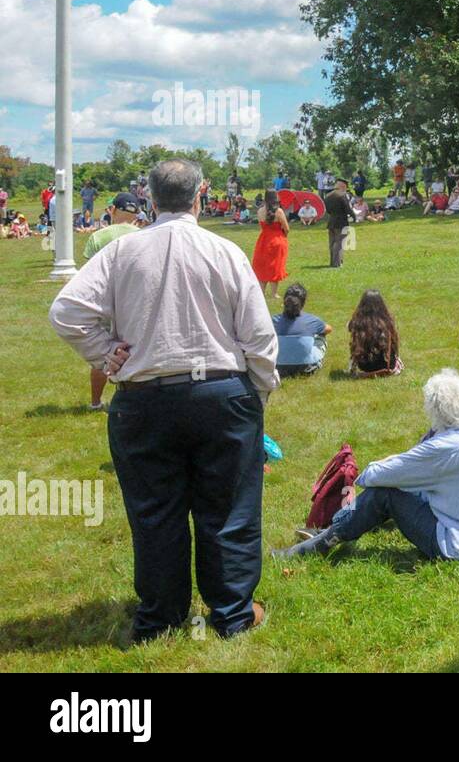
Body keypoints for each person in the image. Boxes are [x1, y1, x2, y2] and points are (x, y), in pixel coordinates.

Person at [49, 159, 277, 641]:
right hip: (220, 392)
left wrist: (105, 352)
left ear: (150, 199)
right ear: (201, 196)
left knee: (155, 513)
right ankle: (232, 614)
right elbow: (259, 336)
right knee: (230, 509)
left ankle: (161, 618)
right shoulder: (225, 251)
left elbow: (67, 311)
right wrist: (257, 392)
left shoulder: (121, 253)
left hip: (145, 397)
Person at [274, 369, 459, 561]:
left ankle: (321, 542)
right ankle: (333, 530)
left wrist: (393, 461)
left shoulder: (444, 448)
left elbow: (373, 476)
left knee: (385, 493)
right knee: (405, 486)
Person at [81, 193, 144, 410]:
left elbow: (87, 276)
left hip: (104, 303)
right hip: (135, 302)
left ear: (113, 210)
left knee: (103, 354)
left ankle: (96, 402)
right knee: (136, 350)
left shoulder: (98, 237)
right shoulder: (144, 235)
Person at [273, 283, 331, 376]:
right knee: (321, 336)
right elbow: (328, 329)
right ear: (303, 303)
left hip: (278, 367)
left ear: (284, 302)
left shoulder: (273, 321)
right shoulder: (312, 320)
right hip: (306, 368)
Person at [348, 288, 402, 376]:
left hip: (364, 367)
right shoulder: (388, 321)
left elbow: (349, 328)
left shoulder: (357, 322)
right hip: (387, 365)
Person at [252, 188, 291, 300]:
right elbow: (286, 228)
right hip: (277, 240)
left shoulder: (260, 211)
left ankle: (262, 292)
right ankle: (274, 293)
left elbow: (262, 226)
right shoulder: (279, 211)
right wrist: (283, 236)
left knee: (263, 266)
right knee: (275, 266)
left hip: (263, 240)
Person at [324, 177, 355, 268]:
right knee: (339, 242)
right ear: (343, 186)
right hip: (341, 221)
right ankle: (337, 263)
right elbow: (348, 208)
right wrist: (354, 216)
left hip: (331, 221)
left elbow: (328, 210)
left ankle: (332, 262)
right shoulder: (342, 195)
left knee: (332, 242)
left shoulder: (328, 195)